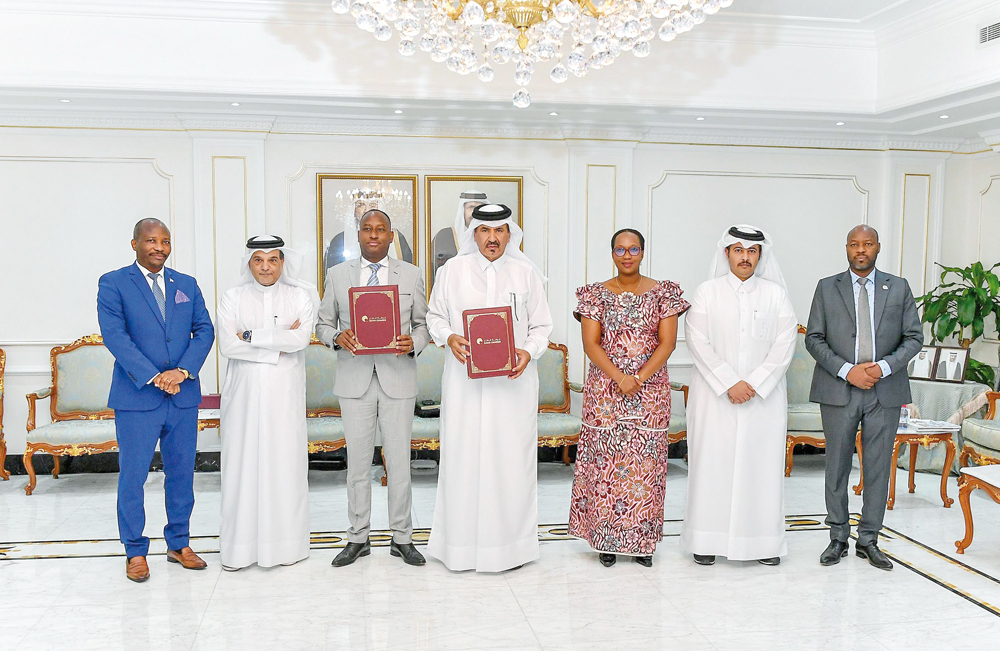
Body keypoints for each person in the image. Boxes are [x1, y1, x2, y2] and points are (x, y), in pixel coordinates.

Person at [425, 203, 553, 572]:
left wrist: (528, 353)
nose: (492, 238)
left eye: (499, 231)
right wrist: (449, 337)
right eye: (484, 231)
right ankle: (459, 548)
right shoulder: (452, 271)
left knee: (511, 461)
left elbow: (541, 327)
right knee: (463, 459)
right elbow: (435, 316)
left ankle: (511, 548)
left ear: (509, 234)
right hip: (465, 383)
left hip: (513, 385)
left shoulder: (526, 274)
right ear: (473, 234)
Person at [97, 218, 215, 582]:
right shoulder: (113, 283)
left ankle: (179, 543)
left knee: (181, 475)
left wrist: (182, 371)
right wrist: (154, 375)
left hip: (181, 395)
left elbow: (205, 330)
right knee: (133, 477)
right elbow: (115, 336)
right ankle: (134, 550)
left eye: (165, 240)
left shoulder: (187, 284)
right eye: (151, 240)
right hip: (137, 397)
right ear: (134, 244)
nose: (159, 247)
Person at [316, 209, 430, 568]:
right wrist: (337, 336)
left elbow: (425, 324)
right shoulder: (337, 275)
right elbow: (321, 324)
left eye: (381, 230)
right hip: (354, 380)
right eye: (367, 229)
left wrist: (412, 341)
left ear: (391, 236)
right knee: (358, 466)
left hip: (398, 379)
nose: (374, 235)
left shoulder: (411, 275)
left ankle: (402, 538)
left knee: (399, 465)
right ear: (359, 234)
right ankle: (358, 537)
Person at [805, 224, 923, 571]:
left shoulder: (898, 287)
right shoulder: (827, 287)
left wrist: (883, 368)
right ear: (846, 248)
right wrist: (848, 371)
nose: (861, 250)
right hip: (838, 389)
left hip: (884, 391)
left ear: (877, 247)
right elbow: (814, 338)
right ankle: (838, 537)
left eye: (867, 244)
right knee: (837, 465)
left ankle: (869, 539)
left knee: (876, 467)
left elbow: (914, 338)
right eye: (854, 244)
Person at [568, 228, 687, 567]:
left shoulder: (664, 293)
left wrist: (638, 378)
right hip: (605, 392)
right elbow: (591, 343)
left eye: (633, 249)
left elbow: (668, 343)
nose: (627, 255)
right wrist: (620, 377)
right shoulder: (595, 294)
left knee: (644, 466)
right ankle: (606, 540)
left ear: (643, 252)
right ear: (612, 254)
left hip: (649, 394)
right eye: (620, 249)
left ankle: (642, 544)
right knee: (605, 465)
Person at [680, 225, 798, 566]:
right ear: (726, 253)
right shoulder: (706, 292)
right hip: (715, 398)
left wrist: (756, 383)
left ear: (760, 255)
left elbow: (785, 343)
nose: (745, 257)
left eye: (752, 251)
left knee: (760, 469)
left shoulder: (776, 295)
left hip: (763, 399)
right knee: (712, 465)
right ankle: (705, 540)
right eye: (738, 250)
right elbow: (697, 340)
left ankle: (763, 544)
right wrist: (730, 382)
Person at [216, 236, 319, 571]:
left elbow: (300, 339)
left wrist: (249, 335)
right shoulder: (232, 296)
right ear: (249, 263)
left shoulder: (299, 296)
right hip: (243, 398)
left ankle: (286, 547)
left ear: (282, 262)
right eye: (258, 260)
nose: (265, 267)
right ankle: (241, 549)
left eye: (273, 260)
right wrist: (277, 341)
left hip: (284, 398)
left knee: (284, 466)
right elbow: (227, 347)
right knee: (243, 467)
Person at [325, 200, 413, 270]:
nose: (367, 210)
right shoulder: (339, 241)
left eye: (372, 205)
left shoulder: (398, 239)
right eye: (360, 205)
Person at [431, 191, 487, 283]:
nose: (475, 212)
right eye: (471, 207)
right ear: (462, 210)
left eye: (479, 208)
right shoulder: (443, 236)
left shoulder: (492, 238)